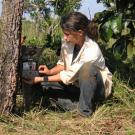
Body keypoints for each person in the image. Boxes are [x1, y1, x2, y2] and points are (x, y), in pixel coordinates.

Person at [24, 12, 112, 117]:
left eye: (67, 34)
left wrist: (41, 79)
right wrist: (49, 72)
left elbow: (68, 75)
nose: (65, 37)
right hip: (74, 85)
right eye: (64, 34)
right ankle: (77, 104)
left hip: (96, 89)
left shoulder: (92, 50)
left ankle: (84, 112)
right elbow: (63, 64)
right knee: (43, 86)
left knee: (87, 69)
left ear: (80, 32)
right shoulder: (67, 42)